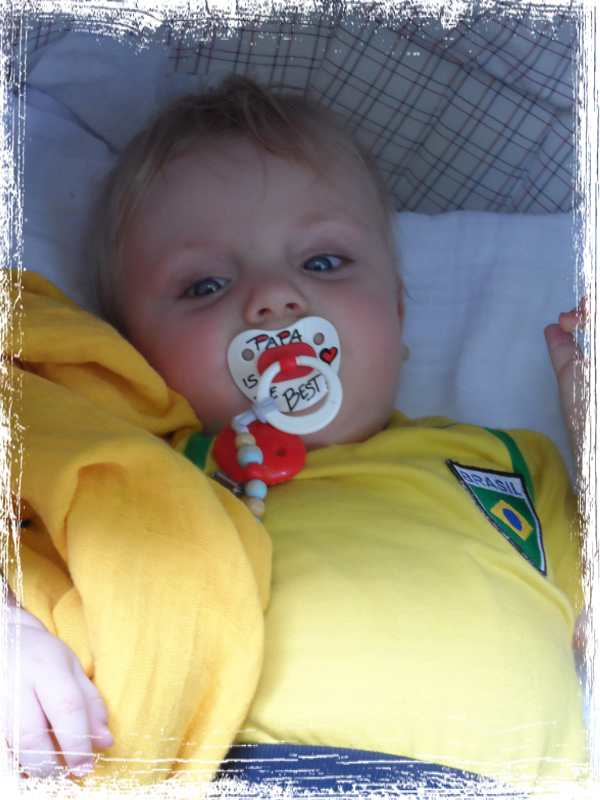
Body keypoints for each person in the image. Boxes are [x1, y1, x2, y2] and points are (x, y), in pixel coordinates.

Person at [0, 76, 600, 800]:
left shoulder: (499, 464)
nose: (274, 299)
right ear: (133, 353)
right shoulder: (139, 478)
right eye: (205, 285)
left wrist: (592, 436)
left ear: (398, 315)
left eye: (322, 263)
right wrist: (13, 639)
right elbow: (30, 561)